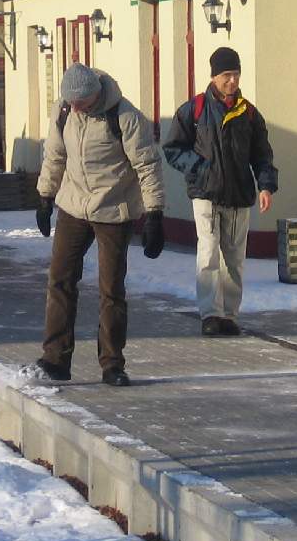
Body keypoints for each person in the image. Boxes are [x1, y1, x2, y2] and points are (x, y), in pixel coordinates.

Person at [33, 63, 165, 388]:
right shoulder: (64, 111)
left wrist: (155, 214)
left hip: (114, 209)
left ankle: (112, 364)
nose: (76, 107)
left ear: (95, 94)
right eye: (71, 102)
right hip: (74, 205)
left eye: (81, 102)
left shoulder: (125, 117)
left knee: (111, 289)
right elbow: (55, 155)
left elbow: (147, 166)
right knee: (60, 279)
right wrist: (45, 196)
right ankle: (55, 359)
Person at [164, 46, 278, 336]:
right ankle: (210, 314)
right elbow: (173, 148)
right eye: (227, 75)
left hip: (239, 196)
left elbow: (262, 154)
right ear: (214, 76)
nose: (232, 81)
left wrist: (265, 186)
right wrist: (200, 169)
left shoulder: (249, 113)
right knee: (208, 254)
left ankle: (229, 315)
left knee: (235, 260)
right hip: (206, 195)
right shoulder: (194, 110)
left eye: (236, 74)